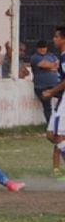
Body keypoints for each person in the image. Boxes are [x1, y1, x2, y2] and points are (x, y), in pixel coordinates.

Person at [42, 27, 65, 180]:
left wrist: (51, 91)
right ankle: (57, 170)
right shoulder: (61, 57)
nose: (54, 40)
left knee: (58, 135)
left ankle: (57, 171)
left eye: (56, 37)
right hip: (61, 99)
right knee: (51, 135)